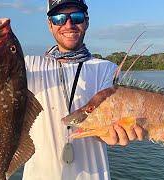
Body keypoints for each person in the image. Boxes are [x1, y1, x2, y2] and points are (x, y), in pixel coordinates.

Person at [22, 0, 144, 179]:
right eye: (59, 18)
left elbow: (107, 125)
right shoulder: (30, 66)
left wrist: (112, 134)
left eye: (76, 17)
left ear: (86, 21)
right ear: (50, 25)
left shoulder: (106, 69)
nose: (68, 24)